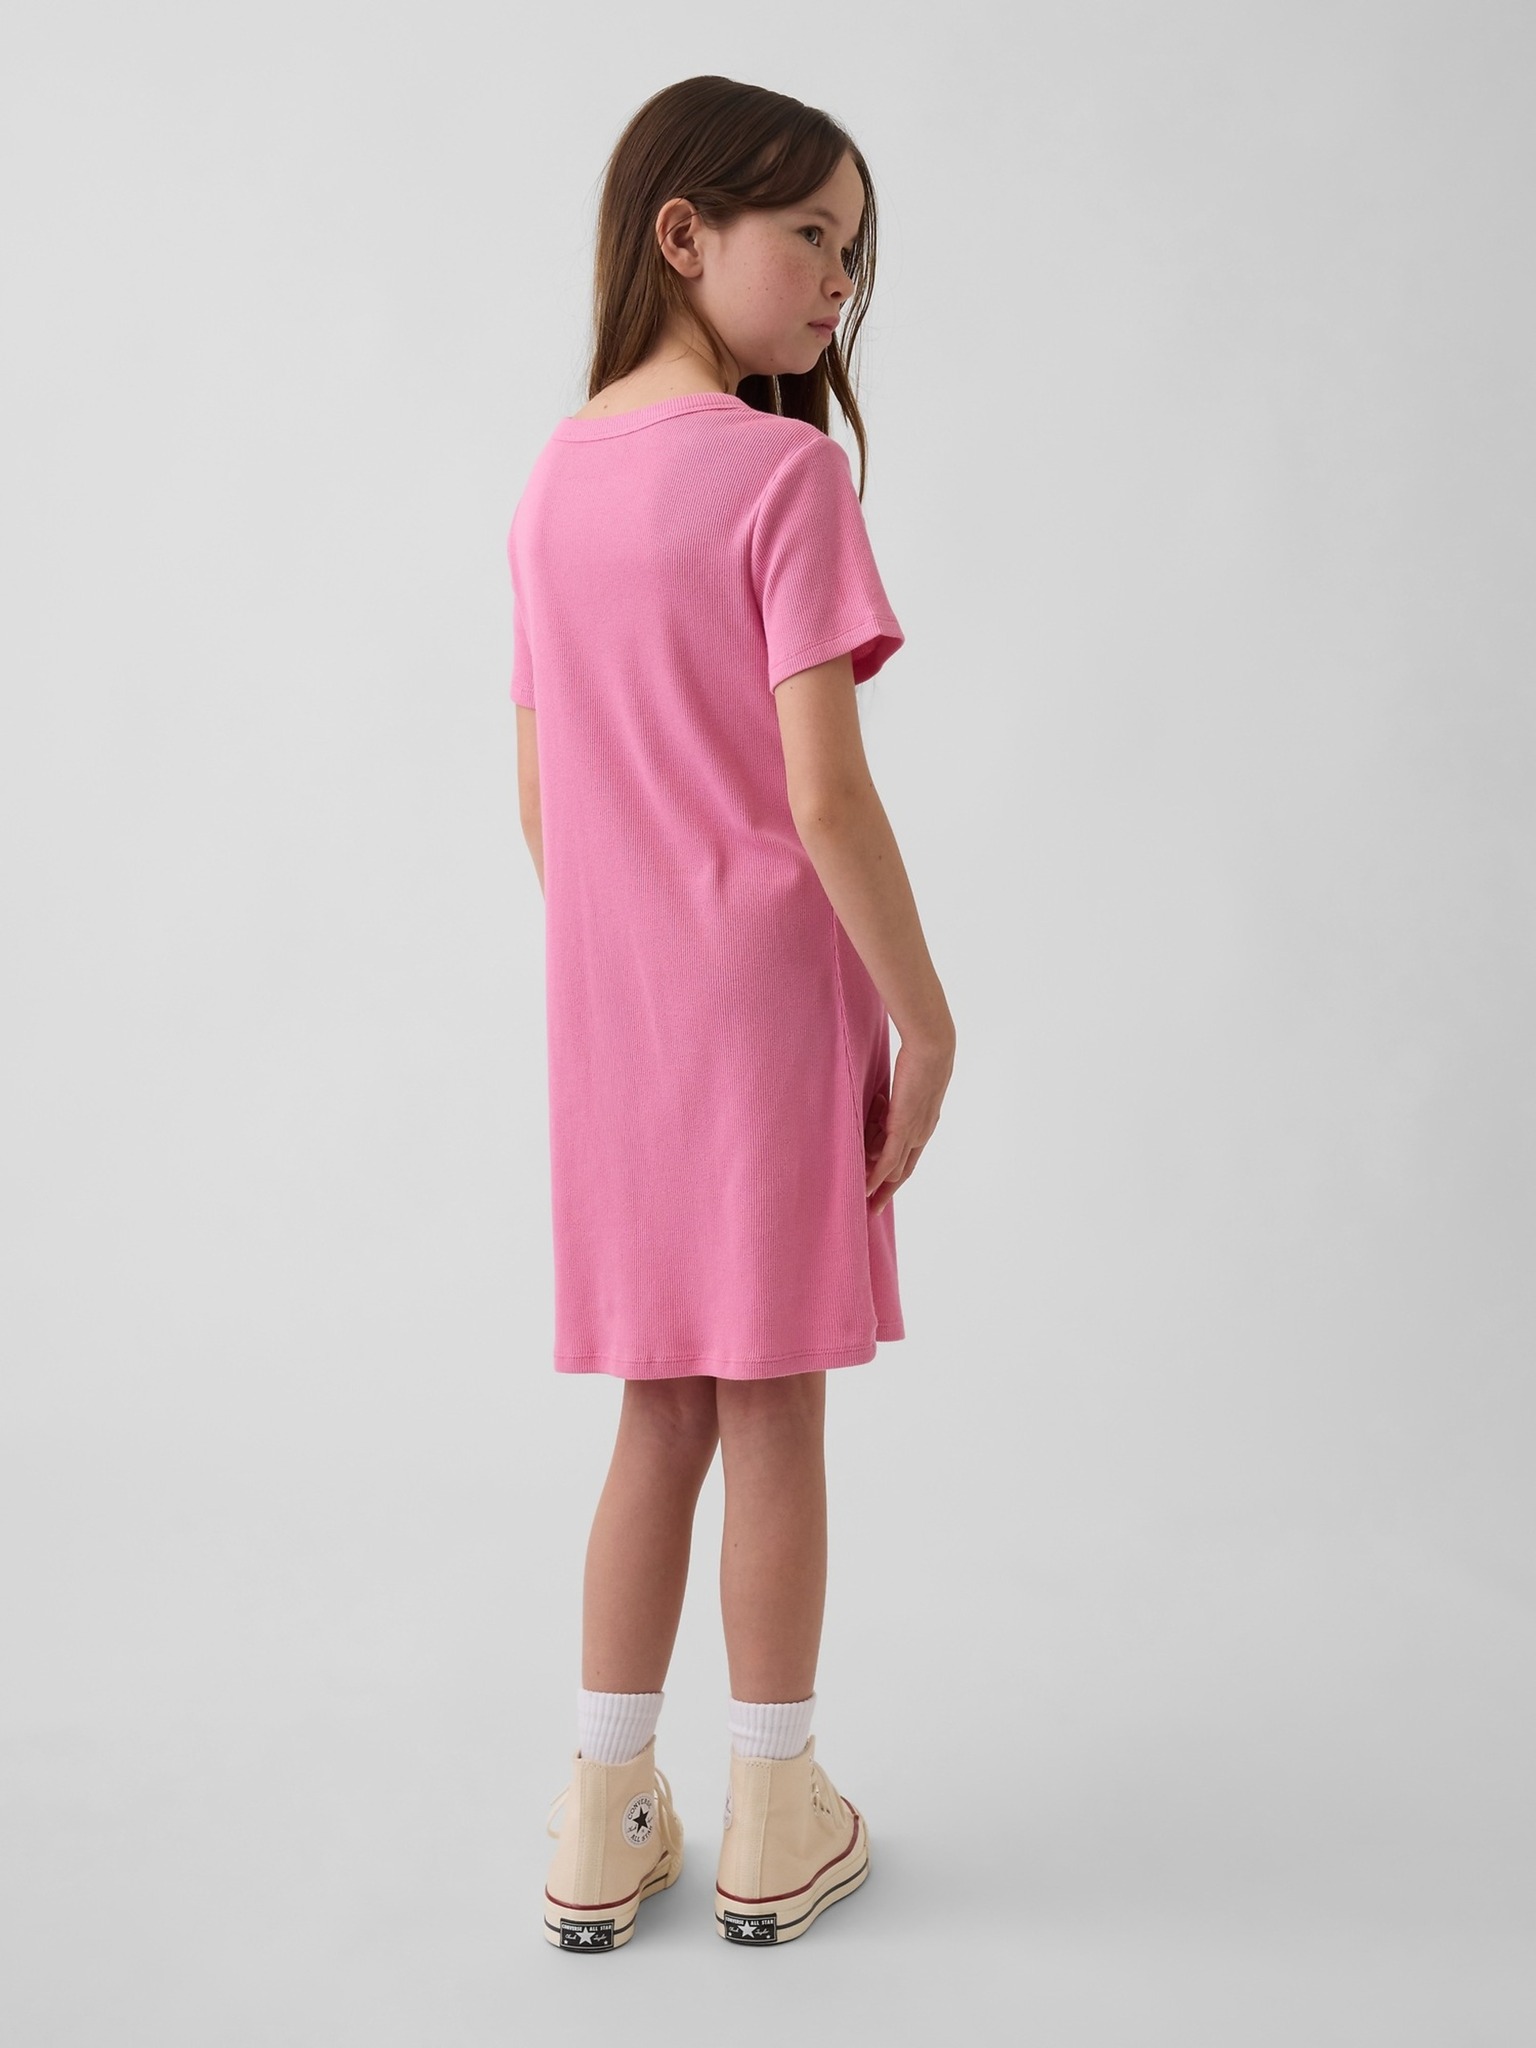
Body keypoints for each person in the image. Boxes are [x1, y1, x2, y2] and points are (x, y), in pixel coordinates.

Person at [507, 75, 955, 1952]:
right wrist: (927, 1022)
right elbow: (826, 799)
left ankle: (603, 1815)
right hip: (767, 1006)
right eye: (814, 238)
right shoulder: (786, 480)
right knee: (772, 1409)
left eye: (855, 251)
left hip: (617, 1019)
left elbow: (540, 801)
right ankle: (775, 1812)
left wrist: (634, 970)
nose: (841, 282)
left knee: (657, 1411)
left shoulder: (552, 480)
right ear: (684, 235)